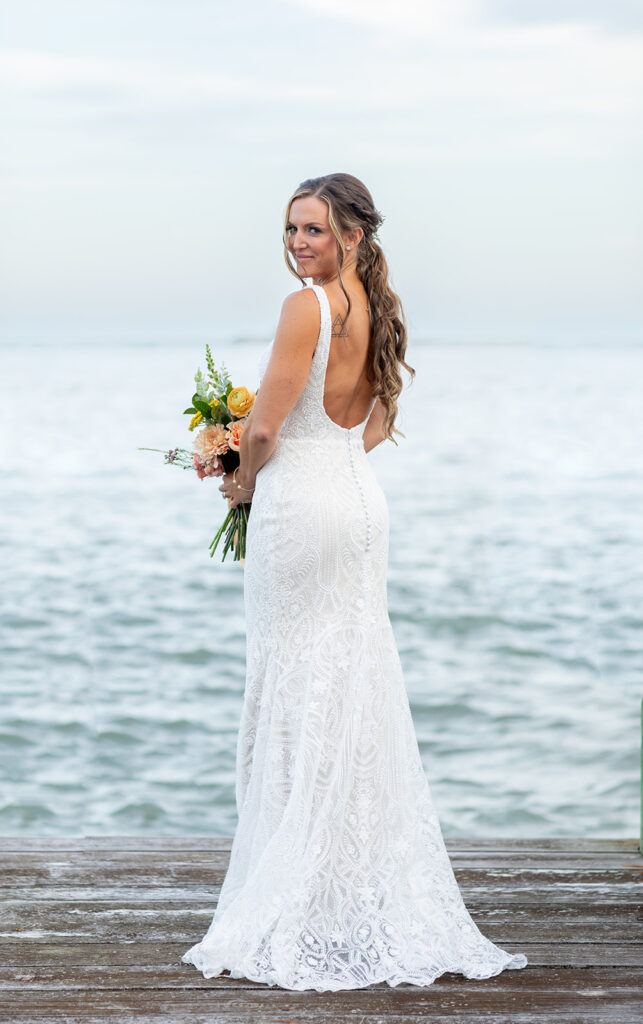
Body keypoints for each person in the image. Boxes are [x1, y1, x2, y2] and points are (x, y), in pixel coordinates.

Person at [180, 172, 528, 991]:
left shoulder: (308, 307)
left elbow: (263, 426)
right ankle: (341, 890)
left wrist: (241, 479)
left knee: (297, 683)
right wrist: (309, 466)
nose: (299, 243)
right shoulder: (372, 308)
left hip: (298, 514)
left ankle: (299, 893)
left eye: (314, 229)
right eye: (291, 229)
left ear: (352, 237)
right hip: (358, 506)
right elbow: (371, 424)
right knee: (349, 685)